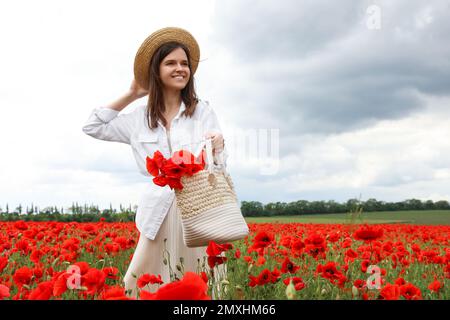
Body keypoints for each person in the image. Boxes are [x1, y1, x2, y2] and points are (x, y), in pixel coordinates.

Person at [82, 27, 228, 299]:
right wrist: (132, 93)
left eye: (184, 64)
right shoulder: (138, 119)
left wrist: (218, 146)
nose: (180, 69)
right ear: (156, 70)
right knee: (141, 284)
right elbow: (92, 126)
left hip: (198, 209)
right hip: (157, 212)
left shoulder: (203, 111)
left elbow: (219, 167)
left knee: (199, 286)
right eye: (171, 63)